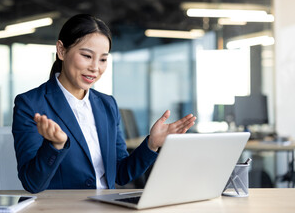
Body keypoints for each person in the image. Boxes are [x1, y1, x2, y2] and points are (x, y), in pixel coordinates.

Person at [12, 14, 196, 193]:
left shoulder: (107, 105)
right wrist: (54, 146)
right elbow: (32, 183)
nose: (95, 67)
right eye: (86, 56)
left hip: (105, 206)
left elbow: (121, 174)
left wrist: (151, 144)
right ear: (61, 50)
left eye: (103, 59)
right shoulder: (30, 104)